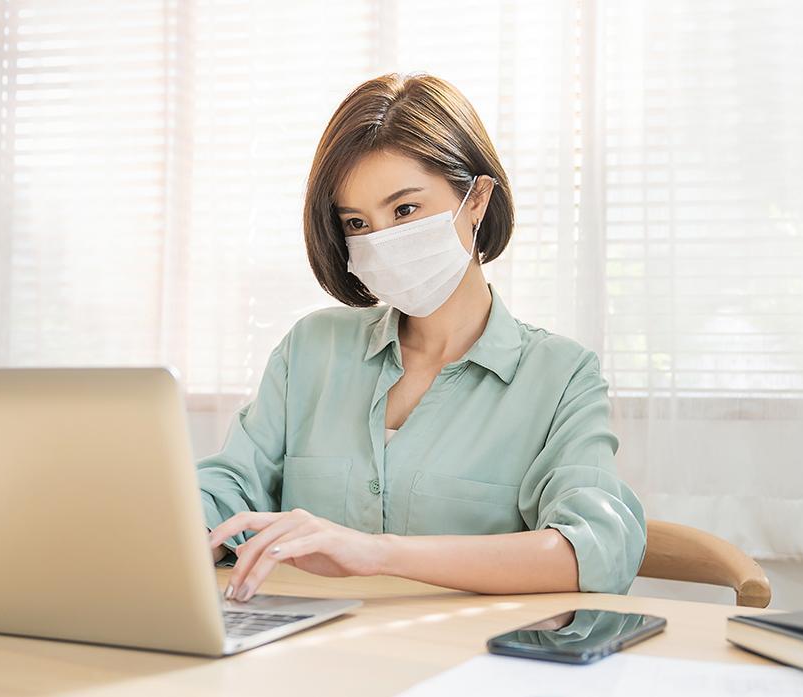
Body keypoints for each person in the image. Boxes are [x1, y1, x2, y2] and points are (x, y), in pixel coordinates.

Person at [200, 73, 645, 602]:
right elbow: (226, 489)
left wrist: (377, 553)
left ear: (477, 198)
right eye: (357, 222)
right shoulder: (311, 349)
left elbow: (596, 549)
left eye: (405, 210)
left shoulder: (559, 375)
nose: (383, 241)